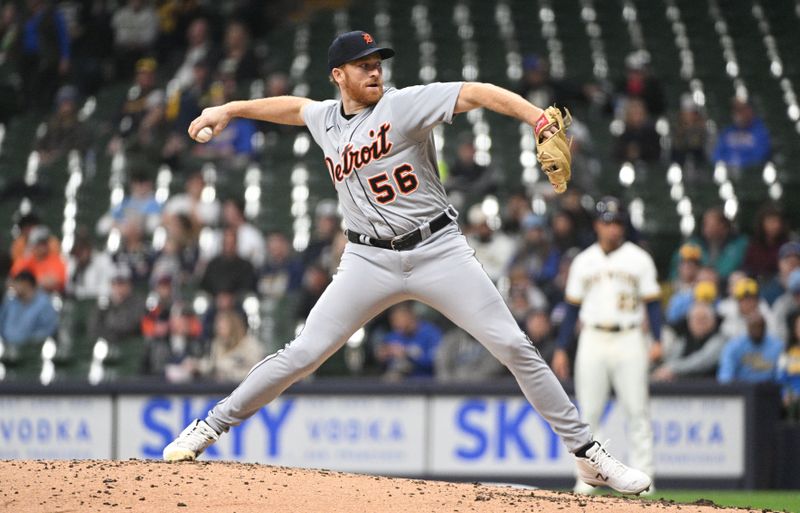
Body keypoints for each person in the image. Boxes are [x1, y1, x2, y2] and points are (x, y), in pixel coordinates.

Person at [162, 30, 652, 496]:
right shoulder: (326, 119)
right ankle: (208, 427)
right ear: (338, 75)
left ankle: (588, 452)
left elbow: (477, 92)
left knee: (513, 345)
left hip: (437, 249)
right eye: (364, 66)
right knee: (303, 353)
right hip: (367, 259)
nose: (375, 72)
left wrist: (538, 120)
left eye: (378, 64)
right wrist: (229, 108)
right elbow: (293, 108)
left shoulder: (402, 104)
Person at [551, 196, 662, 494]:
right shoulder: (584, 260)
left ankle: (645, 478)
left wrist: (658, 339)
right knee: (589, 413)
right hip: (593, 338)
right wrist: (562, 347)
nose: (613, 228)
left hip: (629, 337)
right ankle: (588, 478)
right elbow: (572, 308)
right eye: (607, 222)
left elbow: (652, 304)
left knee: (637, 410)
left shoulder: (639, 258)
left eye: (617, 223)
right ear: (597, 225)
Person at [652, 302, 726, 381]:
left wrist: (672, 368)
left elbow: (701, 362)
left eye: (704, 318)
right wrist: (664, 370)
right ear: (689, 322)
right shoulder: (683, 340)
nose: (700, 322)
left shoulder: (719, 339)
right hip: (682, 387)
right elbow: (671, 360)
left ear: (713, 321)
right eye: (696, 319)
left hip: (710, 389)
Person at [374, 302, 442, 380]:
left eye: (398, 319)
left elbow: (436, 361)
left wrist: (408, 353)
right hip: (398, 382)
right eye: (393, 321)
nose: (395, 324)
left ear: (409, 316)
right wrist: (384, 354)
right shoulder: (394, 335)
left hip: (425, 382)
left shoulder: (430, 333)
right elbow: (382, 354)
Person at [717, 313, 782, 384]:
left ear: (765, 327)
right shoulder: (734, 346)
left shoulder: (777, 346)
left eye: (760, 327)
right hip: (742, 388)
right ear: (747, 327)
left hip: (769, 389)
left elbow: (781, 375)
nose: (757, 331)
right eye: (753, 327)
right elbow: (725, 375)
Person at [0, 270, 58, 347]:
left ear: (26, 283)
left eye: (17, 283)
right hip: (7, 347)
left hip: (31, 350)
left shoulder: (44, 303)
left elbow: (48, 329)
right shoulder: (11, 301)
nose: (13, 286)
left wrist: (28, 341)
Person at [712, 97, 771, 170]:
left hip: (751, 172)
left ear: (750, 110)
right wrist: (727, 164)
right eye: (736, 111)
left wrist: (739, 164)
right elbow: (717, 154)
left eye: (741, 110)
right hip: (729, 170)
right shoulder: (728, 131)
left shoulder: (760, 131)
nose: (738, 114)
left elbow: (759, 155)